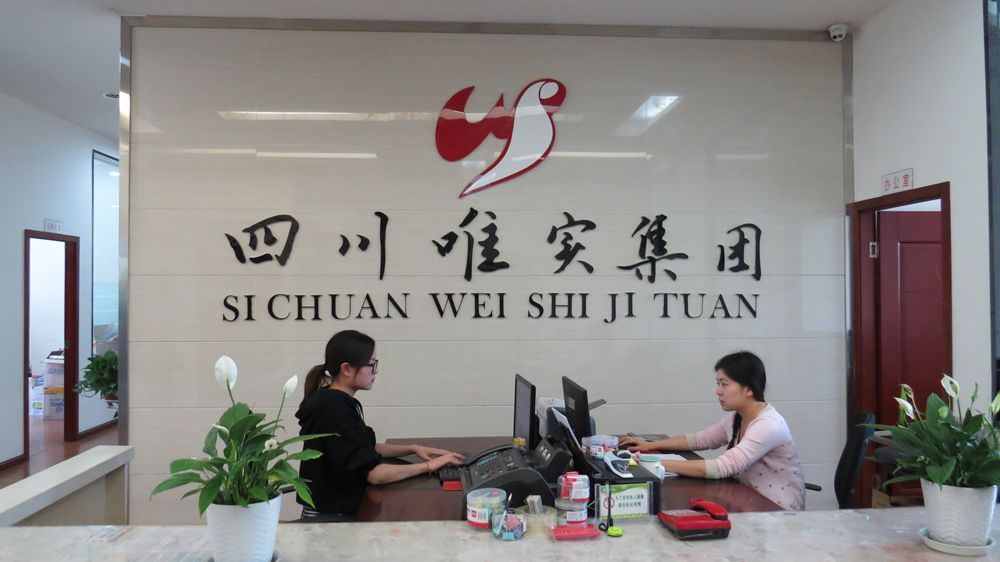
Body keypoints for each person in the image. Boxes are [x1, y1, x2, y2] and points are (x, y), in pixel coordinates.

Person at [296, 330, 464, 519]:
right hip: (330, 519)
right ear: (347, 369)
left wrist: (413, 448)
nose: (375, 371)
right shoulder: (335, 411)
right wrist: (429, 466)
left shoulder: (333, 400)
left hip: (337, 510)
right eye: (371, 364)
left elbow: (364, 448)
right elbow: (375, 474)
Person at [618, 351, 805, 510]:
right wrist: (650, 445)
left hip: (778, 513)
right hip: (746, 501)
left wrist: (653, 464)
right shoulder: (738, 417)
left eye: (724, 384)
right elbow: (700, 440)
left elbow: (719, 468)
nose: (718, 391)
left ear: (748, 389)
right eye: (718, 384)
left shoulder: (768, 425)